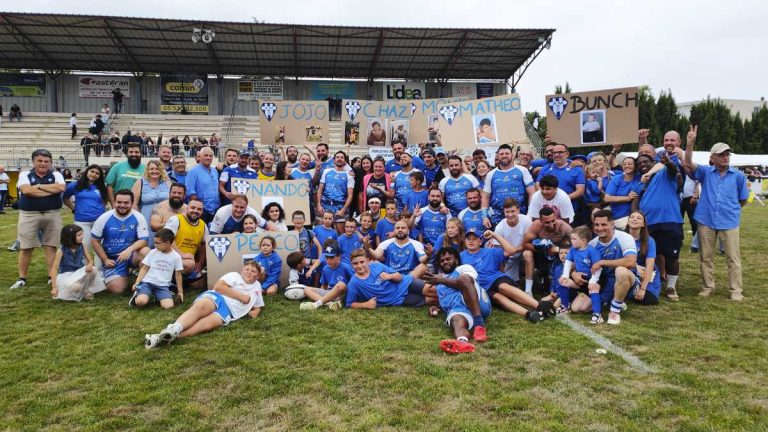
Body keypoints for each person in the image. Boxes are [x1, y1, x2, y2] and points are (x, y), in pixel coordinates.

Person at [683, 127, 749, 301]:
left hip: (730, 220)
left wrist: (730, 210)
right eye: (721, 154)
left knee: (733, 258)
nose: (725, 157)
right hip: (706, 220)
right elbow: (688, 163)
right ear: (712, 158)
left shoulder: (738, 176)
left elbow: (743, 199)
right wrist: (690, 144)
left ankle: (736, 290)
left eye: (727, 154)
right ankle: (707, 286)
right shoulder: (705, 172)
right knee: (706, 257)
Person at [144, 260, 265, 349]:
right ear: (242, 270)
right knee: (201, 308)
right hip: (218, 298)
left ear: (258, 275)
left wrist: (255, 311)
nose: (249, 272)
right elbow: (218, 287)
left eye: (253, 271)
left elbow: (258, 305)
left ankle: (165, 338)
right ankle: (175, 328)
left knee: (205, 325)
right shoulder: (234, 276)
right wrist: (241, 297)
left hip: (229, 311)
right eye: (247, 269)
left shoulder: (257, 287)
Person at [461, 228, 548, 322]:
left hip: (496, 279)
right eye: (468, 239)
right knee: (498, 297)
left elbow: (511, 251)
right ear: (465, 241)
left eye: (474, 238)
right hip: (481, 287)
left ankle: (540, 306)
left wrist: (494, 235)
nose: (471, 241)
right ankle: (529, 314)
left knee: (503, 287)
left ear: (480, 241)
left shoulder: (490, 251)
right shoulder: (461, 256)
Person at [10, 149, 67, 290]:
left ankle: (51, 275)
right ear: (34, 161)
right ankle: (22, 277)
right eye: (40, 161)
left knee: (51, 246)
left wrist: (39, 187)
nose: (43, 164)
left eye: (46, 161)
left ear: (51, 162)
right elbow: (27, 191)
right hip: (29, 214)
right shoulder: (25, 174)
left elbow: (61, 188)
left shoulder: (56, 174)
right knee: (26, 247)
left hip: (52, 213)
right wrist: (49, 191)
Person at [570, 210, 637, 325]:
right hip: (604, 283)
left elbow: (631, 262)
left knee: (621, 271)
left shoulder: (624, 238)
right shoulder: (592, 244)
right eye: (597, 225)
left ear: (612, 224)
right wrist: (574, 274)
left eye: (604, 224)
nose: (600, 228)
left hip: (626, 279)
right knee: (578, 308)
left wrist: (602, 262)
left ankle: (614, 311)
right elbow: (576, 264)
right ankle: (613, 300)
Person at [423, 248, 492, 354]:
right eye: (442, 261)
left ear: (456, 260)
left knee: (463, 279)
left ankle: (479, 324)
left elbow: (467, 283)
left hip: (478, 303)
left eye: (448, 259)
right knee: (456, 319)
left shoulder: (464, 268)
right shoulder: (439, 283)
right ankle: (462, 342)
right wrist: (437, 307)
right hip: (460, 308)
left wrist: (441, 280)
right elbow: (448, 298)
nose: (445, 262)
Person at [637, 151, 683, 300]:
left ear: (654, 163)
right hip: (648, 223)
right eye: (639, 164)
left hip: (669, 220)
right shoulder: (641, 181)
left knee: (672, 256)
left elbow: (672, 169)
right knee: (651, 255)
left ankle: (671, 287)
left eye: (645, 162)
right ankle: (653, 282)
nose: (642, 165)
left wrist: (667, 162)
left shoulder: (663, 174)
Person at [602, 211, 661, 324]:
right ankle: (619, 300)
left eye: (638, 218)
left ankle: (622, 296)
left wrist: (643, 288)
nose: (634, 219)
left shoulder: (649, 241)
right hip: (625, 270)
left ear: (643, 224)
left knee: (649, 299)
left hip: (643, 275)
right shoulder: (618, 237)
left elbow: (649, 266)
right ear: (628, 221)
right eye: (632, 217)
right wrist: (634, 265)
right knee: (620, 272)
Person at [90, 190, 150, 294]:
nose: (122, 205)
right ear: (114, 202)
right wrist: (105, 259)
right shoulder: (104, 217)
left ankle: (142, 284)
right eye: (119, 202)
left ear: (132, 203)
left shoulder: (138, 217)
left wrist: (129, 250)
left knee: (146, 252)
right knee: (117, 289)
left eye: (126, 203)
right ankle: (122, 274)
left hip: (131, 255)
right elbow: (95, 240)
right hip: (113, 259)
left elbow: (144, 240)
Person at [345, 249, 435, 309]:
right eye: (355, 263)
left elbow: (399, 277)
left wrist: (390, 276)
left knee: (431, 290)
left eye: (362, 262)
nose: (359, 266)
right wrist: (365, 304)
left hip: (405, 283)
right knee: (431, 299)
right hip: (397, 299)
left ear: (368, 261)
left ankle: (447, 292)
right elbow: (349, 304)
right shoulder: (354, 283)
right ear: (351, 265)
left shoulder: (376, 265)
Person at [521, 207, 573, 295]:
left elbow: (577, 242)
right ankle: (528, 290)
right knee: (527, 253)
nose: (551, 224)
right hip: (539, 254)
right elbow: (524, 244)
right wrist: (541, 248)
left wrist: (560, 250)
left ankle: (565, 287)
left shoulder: (562, 226)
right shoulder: (536, 226)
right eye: (547, 222)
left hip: (558, 255)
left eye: (553, 221)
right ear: (541, 221)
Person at [557, 226, 603, 323]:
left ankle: (597, 315)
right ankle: (565, 306)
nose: (571, 241)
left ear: (583, 240)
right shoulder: (573, 250)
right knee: (562, 282)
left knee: (593, 288)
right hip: (579, 280)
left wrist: (593, 280)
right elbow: (568, 262)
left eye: (574, 239)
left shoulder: (592, 251)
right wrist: (565, 276)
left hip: (592, 278)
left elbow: (598, 267)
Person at [129, 229, 184, 310]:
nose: (155, 245)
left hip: (163, 286)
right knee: (141, 302)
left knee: (168, 306)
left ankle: (157, 296)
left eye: (157, 243)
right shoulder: (152, 252)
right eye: (154, 242)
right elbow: (144, 268)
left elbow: (178, 275)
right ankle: (138, 295)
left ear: (168, 243)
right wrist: (137, 282)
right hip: (147, 283)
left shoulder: (176, 257)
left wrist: (180, 292)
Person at [483, 144, 535, 225]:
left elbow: (532, 193)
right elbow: (485, 197)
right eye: (501, 154)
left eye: (507, 153)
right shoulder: (491, 174)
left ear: (512, 155)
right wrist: (484, 216)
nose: (504, 156)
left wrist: (530, 214)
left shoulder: (522, 170)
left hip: (520, 215)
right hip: (498, 218)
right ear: (497, 156)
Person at [50, 224, 103, 301]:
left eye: (82, 234)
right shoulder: (61, 250)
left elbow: (90, 259)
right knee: (76, 287)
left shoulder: (82, 246)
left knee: (93, 270)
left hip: (78, 272)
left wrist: (90, 264)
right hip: (66, 275)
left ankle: (86, 289)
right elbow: (54, 268)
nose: (82, 237)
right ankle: (81, 290)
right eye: (79, 235)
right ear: (70, 237)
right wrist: (54, 287)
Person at [536, 143, 585, 224]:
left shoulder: (576, 169)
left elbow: (580, 191)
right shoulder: (545, 169)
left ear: (567, 154)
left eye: (560, 152)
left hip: (571, 211)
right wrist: (547, 197)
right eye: (554, 153)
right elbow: (538, 185)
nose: (556, 155)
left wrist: (562, 199)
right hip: (548, 213)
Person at [63, 164, 108, 251]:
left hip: (99, 221)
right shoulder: (75, 185)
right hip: (82, 221)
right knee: (84, 247)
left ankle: (99, 265)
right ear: (87, 171)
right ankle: (84, 265)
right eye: (92, 171)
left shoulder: (102, 187)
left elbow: (105, 201)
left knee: (100, 247)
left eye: (97, 173)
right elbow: (65, 198)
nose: (94, 174)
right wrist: (73, 208)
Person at [164, 198, 208, 283]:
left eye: (199, 209)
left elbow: (203, 245)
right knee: (189, 264)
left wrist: (200, 262)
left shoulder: (203, 225)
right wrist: (181, 255)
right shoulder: (176, 219)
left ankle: (181, 281)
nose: (195, 211)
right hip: (169, 256)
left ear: (202, 212)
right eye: (193, 208)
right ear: (187, 208)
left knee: (199, 280)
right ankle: (171, 282)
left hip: (187, 259)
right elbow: (166, 239)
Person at [300, 241, 353, 310]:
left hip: (341, 293)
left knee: (340, 285)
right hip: (329, 292)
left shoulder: (346, 267)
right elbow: (324, 285)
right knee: (306, 289)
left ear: (339, 256)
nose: (328, 260)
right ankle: (329, 304)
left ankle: (317, 304)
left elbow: (353, 282)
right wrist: (322, 293)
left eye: (331, 258)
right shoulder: (325, 269)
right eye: (327, 258)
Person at [491, 198, 532, 284]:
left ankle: (528, 290)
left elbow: (529, 243)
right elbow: (498, 251)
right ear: (504, 212)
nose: (510, 215)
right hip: (508, 257)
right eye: (507, 212)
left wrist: (515, 250)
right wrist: (508, 254)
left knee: (528, 254)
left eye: (512, 211)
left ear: (518, 210)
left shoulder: (526, 221)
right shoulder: (499, 227)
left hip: (522, 253)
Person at [132, 160, 172, 247]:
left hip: (163, 219)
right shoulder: (140, 182)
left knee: (163, 244)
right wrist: (138, 221)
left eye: (157, 169)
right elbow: (134, 204)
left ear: (161, 170)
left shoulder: (167, 182)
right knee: (146, 245)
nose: (154, 171)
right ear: (147, 170)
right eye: (151, 169)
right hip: (145, 219)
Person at [317, 151, 354, 231]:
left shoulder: (349, 175)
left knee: (340, 233)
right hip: (325, 206)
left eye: (342, 157)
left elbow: (350, 195)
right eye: (337, 157)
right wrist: (319, 205)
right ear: (334, 160)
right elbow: (320, 190)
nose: (339, 159)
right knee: (322, 232)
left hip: (340, 207)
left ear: (345, 160)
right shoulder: (326, 171)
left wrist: (343, 210)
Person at [604, 156, 642, 230]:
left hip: (633, 216)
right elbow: (607, 198)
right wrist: (627, 198)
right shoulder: (617, 178)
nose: (627, 166)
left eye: (630, 164)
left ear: (635, 166)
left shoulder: (639, 178)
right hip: (618, 216)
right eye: (625, 164)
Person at [185, 147, 219, 223]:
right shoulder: (193, 172)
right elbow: (190, 192)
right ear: (200, 157)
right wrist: (200, 207)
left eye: (210, 156)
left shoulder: (214, 171)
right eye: (206, 155)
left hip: (215, 209)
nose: (208, 158)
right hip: (201, 211)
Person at [105, 142, 144, 206]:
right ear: (127, 154)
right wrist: (113, 204)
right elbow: (109, 187)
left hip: (139, 206)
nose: (134, 154)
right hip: (121, 205)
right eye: (131, 152)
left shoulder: (145, 169)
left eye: (137, 152)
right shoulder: (117, 167)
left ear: (140, 154)